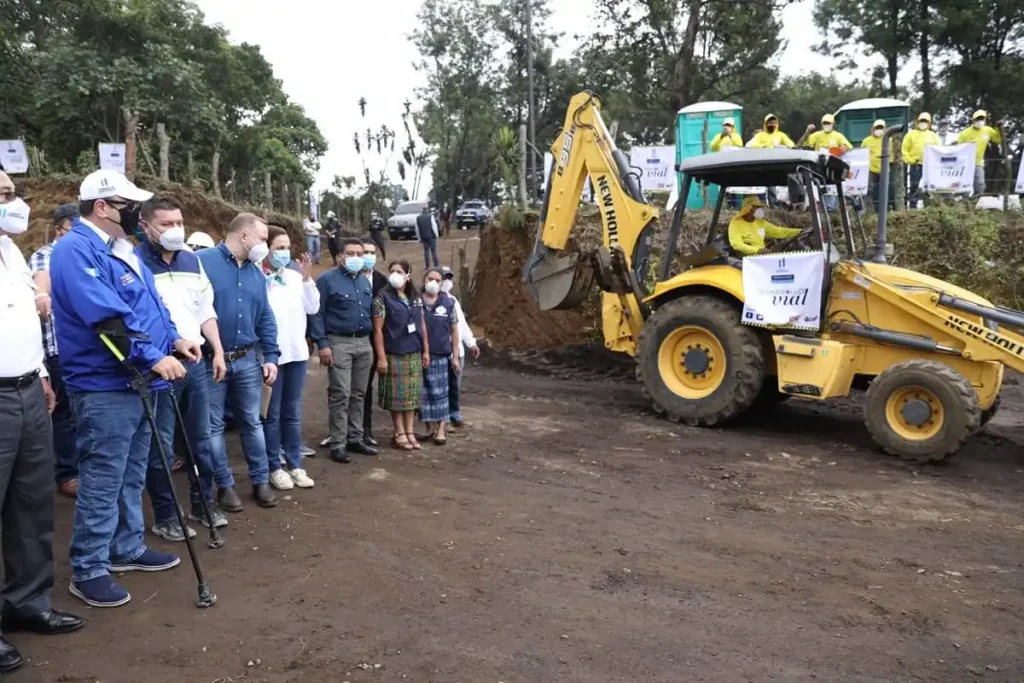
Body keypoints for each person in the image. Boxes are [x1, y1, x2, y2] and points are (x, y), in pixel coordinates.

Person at [51, 170, 200, 607]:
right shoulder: (74, 250)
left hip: (139, 381)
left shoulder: (122, 248)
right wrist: (153, 356)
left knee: (132, 471)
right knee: (103, 476)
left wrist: (173, 338)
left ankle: (126, 546)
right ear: (102, 206)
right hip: (105, 385)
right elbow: (107, 319)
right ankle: (90, 566)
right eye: (127, 204)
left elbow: (150, 306)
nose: (136, 212)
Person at [0, 171, 83, 673]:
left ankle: (25, 601)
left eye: (10, 193)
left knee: (32, 504)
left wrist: (37, 373)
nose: (15, 203)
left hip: (29, 389)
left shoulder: (10, 250)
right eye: (4, 195)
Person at [136, 196, 229, 540]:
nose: (175, 229)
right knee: (160, 446)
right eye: (166, 224)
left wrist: (217, 351)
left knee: (200, 440)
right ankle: (166, 514)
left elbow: (205, 310)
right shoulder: (134, 262)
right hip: (158, 367)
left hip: (196, 362)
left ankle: (202, 503)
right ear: (145, 226)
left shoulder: (191, 260)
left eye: (178, 222)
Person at [198, 213, 281, 510]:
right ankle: (225, 485)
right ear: (244, 236)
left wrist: (271, 355)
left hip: (246, 358)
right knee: (213, 426)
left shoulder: (256, 273)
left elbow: (265, 317)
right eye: (262, 239)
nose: (265, 246)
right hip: (209, 362)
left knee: (252, 421)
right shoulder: (202, 263)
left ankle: (260, 480)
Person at [262, 226, 320, 490]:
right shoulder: (258, 277)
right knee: (271, 414)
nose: (284, 253)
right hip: (272, 356)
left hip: (297, 353)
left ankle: (295, 464)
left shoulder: (295, 278)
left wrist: (308, 279)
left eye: (287, 248)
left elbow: (313, 307)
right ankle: (274, 466)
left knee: (292, 412)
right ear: (266, 250)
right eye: (278, 248)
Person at [29, 203, 80, 498]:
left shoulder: (87, 254)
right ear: (60, 228)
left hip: (86, 348)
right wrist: (42, 293)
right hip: (59, 347)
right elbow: (42, 284)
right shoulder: (44, 256)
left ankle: (82, 466)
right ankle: (68, 473)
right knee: (65, 413)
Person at [310, 238, 377, 463]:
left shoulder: (365, 282)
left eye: (360, 253)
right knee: (341, 394)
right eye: (351, 253)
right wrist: (322, 344)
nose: (356, 258)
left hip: (364, 343)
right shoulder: (327, 280)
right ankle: (338, 442)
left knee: (360, 393)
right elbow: (317, 313)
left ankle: (355, 437)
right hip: (339, 342)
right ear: (340, 256)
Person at [372, 260, 429, 451]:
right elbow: (378, 330)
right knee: (396, 397)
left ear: (408, 275)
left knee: (411, 397)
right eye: (392, 271)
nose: (395, 274)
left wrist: (426, 350)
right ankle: (399, 432)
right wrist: (381, 357)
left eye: (399, 271)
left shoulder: (415, 297)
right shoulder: (382, 297)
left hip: (413, 352)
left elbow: (421, 325)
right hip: (393, 353)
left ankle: (410, 431)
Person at [418, 268, 459, 445]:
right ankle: (428, 428)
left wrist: (455, 355)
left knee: (441, 393)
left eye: (437, 280)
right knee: (423, 393)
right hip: (418, 354)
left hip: (441, 354)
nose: (433, 282)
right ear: (424, 279)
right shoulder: (416, 301)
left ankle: (441, 429)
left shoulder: (448, 303)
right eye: (430, 278)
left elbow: (454, 329)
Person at [440, 268, 480, 428]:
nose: (446, 282)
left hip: (458, 351)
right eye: (443, 278)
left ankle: (454, 413)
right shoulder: (428, 301)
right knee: (441, 386)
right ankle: (443, 417)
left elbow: (461, 324)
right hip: (440, 351)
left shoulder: (453, 300)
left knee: (455, 385)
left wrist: (471, 342)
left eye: (449, 278)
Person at [361, 238, 389, 447]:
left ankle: (365, 430)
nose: (368, 256)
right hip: (349, 340)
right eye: (365, 252)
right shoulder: (344, 278)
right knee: (341, 390)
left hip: (373, 341)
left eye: (372, 252)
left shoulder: (383, 282)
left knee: (366, 389)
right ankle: (341, 431)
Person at [728, 196, 801, 257]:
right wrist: (757, 250)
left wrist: (799, 231)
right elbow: (736, 244)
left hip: (762, 256)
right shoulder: (735, 224)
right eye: (756, 207)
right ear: (749, 209)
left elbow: (778, 231)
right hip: (747, 260)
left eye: (759, 207)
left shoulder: (760, 222)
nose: (760, 210)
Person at [957, 110, 1003, 197]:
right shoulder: (964, 133)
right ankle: (964, 204)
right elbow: (958, 148)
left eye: (982, 118)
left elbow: (998, 139)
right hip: (965, 163)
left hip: (978, 162)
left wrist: (998, 128)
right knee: (964, 186)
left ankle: (977, 203)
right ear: (973, 120)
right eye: (978, 119)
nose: (980, 121)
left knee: (980, 184)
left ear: (985, 119)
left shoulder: (988, 130)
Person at [901, 112, 940, 208]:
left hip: (930, 166)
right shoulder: (911, 135)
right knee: (914, 186)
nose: (923, 123)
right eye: (921, 121)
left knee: (930, 186)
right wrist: (910, 160)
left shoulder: (933, 135)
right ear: (917, 122)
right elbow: (904, 149)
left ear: (929, 123)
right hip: (916, 165)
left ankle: (929, 206)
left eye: (925, 121)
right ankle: (913, 206)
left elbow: (938, 149)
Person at [860, 120, 889, 212]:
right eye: (877, 128)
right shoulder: (866, 141)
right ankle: (869, 210)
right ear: (873, 129)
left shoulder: (889, 139)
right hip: (870, 170)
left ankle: (884, 210)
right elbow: (861, 154)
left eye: (881, 128)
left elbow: (892, 155)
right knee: (868, 190)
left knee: (884, 191)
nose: (879, 130)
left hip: (884, 169)